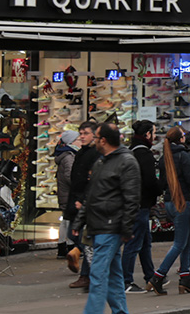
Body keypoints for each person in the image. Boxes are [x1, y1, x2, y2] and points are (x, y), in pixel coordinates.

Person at [71, 123, 140, 314]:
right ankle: (120, 312)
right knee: (113, 276)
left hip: (110, 226)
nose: (93, 140)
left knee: (98, 275)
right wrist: (79, 221)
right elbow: (91, 196)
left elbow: (132, 199)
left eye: (95, 137)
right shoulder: (102, 161)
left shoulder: (126, 162)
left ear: (103, 140)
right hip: (101, 225)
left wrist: (126, 228)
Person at [148, 126, 190, 294]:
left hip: (170, 202)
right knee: (179, 243)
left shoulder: (166, 157)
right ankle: (158, 276)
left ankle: (185, 277)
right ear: (181, 139)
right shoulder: (184, 155)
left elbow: (162, 183)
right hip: (182, 201)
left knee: (187, 240)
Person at [121, 121, 158, 293]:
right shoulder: (144, 155)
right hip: (140, 204)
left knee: (144, 242)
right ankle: (125, 280)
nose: (155, 136)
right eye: (154, 133)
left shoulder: (130, 152)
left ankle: (150, 276)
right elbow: (150, 181)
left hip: (134, 203)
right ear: (148, 134)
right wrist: (160, 188)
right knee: (135, 243)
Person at [66, 121, 100, 288]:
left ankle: (88, 276)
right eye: (81, 133)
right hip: (77, 199)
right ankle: (87, 274)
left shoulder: (95, 154)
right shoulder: (82, 152)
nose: (82, 136)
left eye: (85, 133)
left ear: (95, 135)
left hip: (85, 201)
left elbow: (92, 181)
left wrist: (85, 201)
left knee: (85, 239)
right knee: (75, 235)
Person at [55, 128, 79, 259]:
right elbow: (70, 176)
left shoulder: (65, 155)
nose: (80, 141)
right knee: (69, 220)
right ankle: (70, 247)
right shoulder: (69, 156)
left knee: (65, 220)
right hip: (69, 194)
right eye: (77, 139)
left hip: (65, 193)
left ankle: (62, 246)